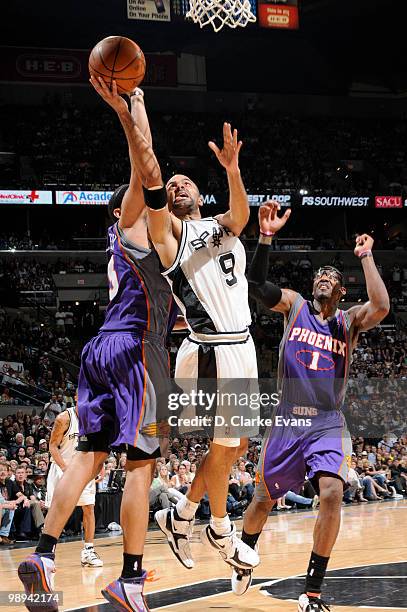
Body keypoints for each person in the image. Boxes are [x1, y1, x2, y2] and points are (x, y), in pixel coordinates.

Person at [18, 77, 177, 612]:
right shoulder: (133, 222)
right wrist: (125, 114)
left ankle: (42, 553)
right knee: (140, 463)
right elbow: (144, 167)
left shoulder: (140, 242)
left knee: (87, 456)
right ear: (121, 210)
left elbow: (146, 164)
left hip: (101, 351)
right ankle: (129, 579)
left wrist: (140, 106)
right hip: (134, 351)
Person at [232, 201, 390, 612]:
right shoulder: (295, 305)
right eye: (319, 274)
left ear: (341, 291)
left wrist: (366, 256)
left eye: (331, 277)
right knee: (262, 502)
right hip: (287, 419)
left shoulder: (349, 321)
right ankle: (245, 550)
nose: (322, 278)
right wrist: (265, 237)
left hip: (326, 423)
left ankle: (313, 592)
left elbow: (382, 306)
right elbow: (257, 287)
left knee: (333, 493)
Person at [145, 123, 259, 571]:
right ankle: (218, 525)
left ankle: (182, 516)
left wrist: (232, 168)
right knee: (225, 444)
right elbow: (156, 205)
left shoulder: (219, 224)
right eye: (171, 187)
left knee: (235, 446)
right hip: (211, 348)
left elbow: (242, 216)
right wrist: (149, 165)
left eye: (185, 182)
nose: (178, 187)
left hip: (242, 343)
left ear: (199, 194)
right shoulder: (170, 238)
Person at [44, 398, 102, 567]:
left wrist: (100, 464)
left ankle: (88, 551)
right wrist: (66, 469)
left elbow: (98, 446)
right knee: (54, 512)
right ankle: (47, 553)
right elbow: (52, 446)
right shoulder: (64, 418)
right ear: (77, 397)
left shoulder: (95, 418)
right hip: (62, 469)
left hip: (83, 468)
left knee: (89, 508)